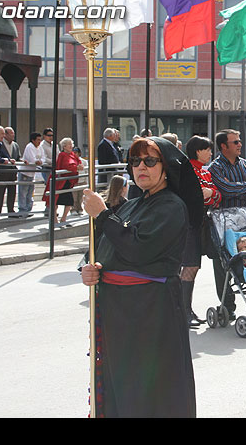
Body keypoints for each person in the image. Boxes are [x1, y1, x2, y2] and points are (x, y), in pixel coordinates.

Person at [80, 136, 203, 418]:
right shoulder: (130, 205)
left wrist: (101, 215)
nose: (140, 167)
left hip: (150, 313)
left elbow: (137, 248)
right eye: (135, 161)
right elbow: (100, 247)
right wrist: (90, 268)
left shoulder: (172, 206)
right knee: (120, 386)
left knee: (151, 391)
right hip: (118, 314)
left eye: (150, 161)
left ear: (166, 167)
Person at [208, 129, 246, 317]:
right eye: (235, 142)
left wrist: (237, 188)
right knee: (223, 263)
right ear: (223, 146)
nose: (240, 144)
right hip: (223, 222)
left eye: (239, 141)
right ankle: (227, 306)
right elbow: (223, 190)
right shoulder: (215, 168)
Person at [182, 135, 222, 328]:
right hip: (189, 223)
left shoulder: (205, 172)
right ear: (198, 150)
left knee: (194, 266)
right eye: (207, 149)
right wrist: (208, 195)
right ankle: (183, 311)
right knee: (190, 266)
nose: (210, 153)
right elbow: (194, 196)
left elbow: (216, 196)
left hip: (203, 222)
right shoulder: (187, 170)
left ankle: (186, 310)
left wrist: (210, 194)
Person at [43, 137, 83, 227]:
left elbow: (78, 161)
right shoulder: (62, 155)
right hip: (60, 181)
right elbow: (67, 165)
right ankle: (55, 219)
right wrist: (76, 167)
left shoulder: (72, 154)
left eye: (71, 144)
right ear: (64, 146)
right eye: (69, 144)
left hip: (68, 181)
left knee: (69, 201)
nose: (71, 146)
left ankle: (63, 218)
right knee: (55, 201)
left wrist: (79, 165)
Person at [18, 132, 44, 216]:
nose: (39, 142)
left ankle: (29, 209)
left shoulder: (40, 148)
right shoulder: (29, 147)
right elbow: (32, 159)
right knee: (23, 192)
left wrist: (40, 161)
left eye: (40, 140)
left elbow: (43, 158)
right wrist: (37, 161)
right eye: (38, 140)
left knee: (30, 192)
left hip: (32, 173)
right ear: (33, 140)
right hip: (25, 173)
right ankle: (22, 209)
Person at [71, 147, 87, 216]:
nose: (74, 154)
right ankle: (73, 209)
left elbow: (87, 171)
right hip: (74, 181)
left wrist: (86, 181)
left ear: (79, 153)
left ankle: (80, 209)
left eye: (76, 152)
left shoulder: (84, 161)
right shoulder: (71, 161)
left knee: (80, 197)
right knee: (74, 197)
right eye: (73, 152)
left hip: (82, 181)